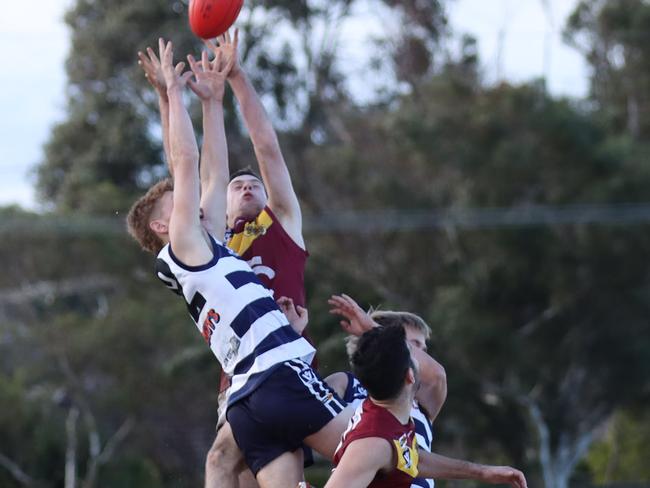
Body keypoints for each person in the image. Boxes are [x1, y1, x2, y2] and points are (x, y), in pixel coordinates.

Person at [127, 38, 352, 488]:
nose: (243, 186)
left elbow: (209, 171)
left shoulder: (219, 242)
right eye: (179, 205)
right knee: (369, 453)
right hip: (255, 377)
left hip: (269, 375)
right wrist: (170, 93)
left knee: (227, 464)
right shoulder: (195, 243)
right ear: (164, 227)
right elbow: (186, 163)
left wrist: (210, 105)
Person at [324, 325, 528, 488]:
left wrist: (483, 472)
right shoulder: (372, 444)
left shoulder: (389, 416)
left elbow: (412, 459)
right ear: (410, 376)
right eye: (415, 356)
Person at [325, 299, 445, 488]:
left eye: (423, 350)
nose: (421, 357)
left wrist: (373, 330)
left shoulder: (419, 397)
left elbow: (437, 375)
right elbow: (308, 410)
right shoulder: (345, 384)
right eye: (413, 345)